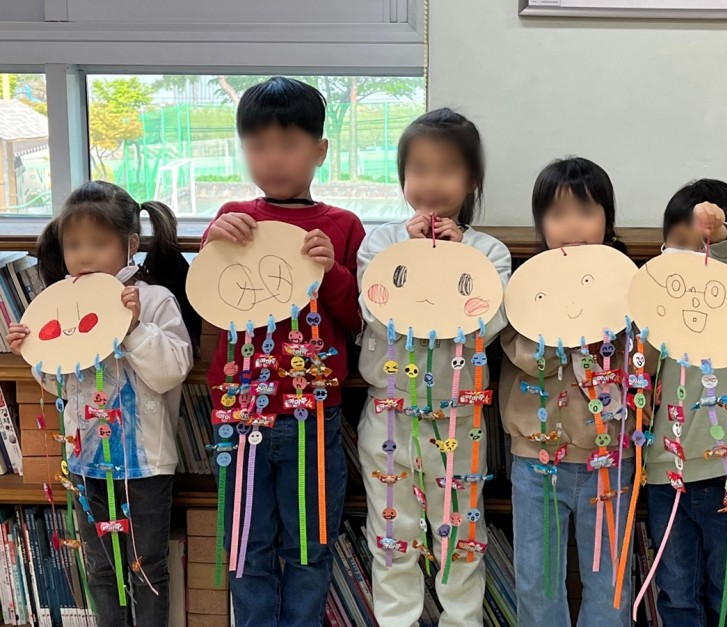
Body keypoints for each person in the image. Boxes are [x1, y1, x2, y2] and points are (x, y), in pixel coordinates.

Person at [202, 77, 364, 627]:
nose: (272, 159)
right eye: (258, 145)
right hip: (240, 414)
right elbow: (212, 303)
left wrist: (332, 271)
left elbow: (358, 319)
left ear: (320, 150)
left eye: (289, 144)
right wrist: (215, 241)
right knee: (246, 546)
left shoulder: (342, 226)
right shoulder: (233, 217)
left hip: (311, 417)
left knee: (309, 544)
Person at [6, 180, 193, 627]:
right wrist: (35, 354)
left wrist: (133, 328)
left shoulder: (154, 300)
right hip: (86, 460)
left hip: (145, 466)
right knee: (101, 569)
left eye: (99, 243)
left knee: (147, 568)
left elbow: (171, 371)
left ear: (131, 245)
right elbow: (61, 387)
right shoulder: (61, 305)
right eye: (74, 245)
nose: (85, 256)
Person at [356, 108, 511, 626]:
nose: (431, 182)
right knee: (392, 536)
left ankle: (462, 620)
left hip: (457, 420)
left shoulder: (488, 251)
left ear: (471, 180)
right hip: (390, 417)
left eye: (447, 170)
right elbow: (375, 313)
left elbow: (489, 323)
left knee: (460, 537)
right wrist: (412, 251)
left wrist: (460, 260)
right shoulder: (382, 244)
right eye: (419, 169)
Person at [500, 157, 641, 627]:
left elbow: (645, 364)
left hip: (610, 457)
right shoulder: (524, 285)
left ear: (607, 219)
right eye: (557, 214)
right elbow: (524, 356)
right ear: (541, 224)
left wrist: (607, 332)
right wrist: (565, 330)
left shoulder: (628, 285)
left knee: (609, 581)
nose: (573, 226)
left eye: (585, 211)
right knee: (536, 580)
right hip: (537, 458)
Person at [645, 180, 727, 626]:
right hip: (667, 474)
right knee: (677, 595)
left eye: (700, 249)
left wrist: (723, 238)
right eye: (675, 246)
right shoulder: (662, 318)